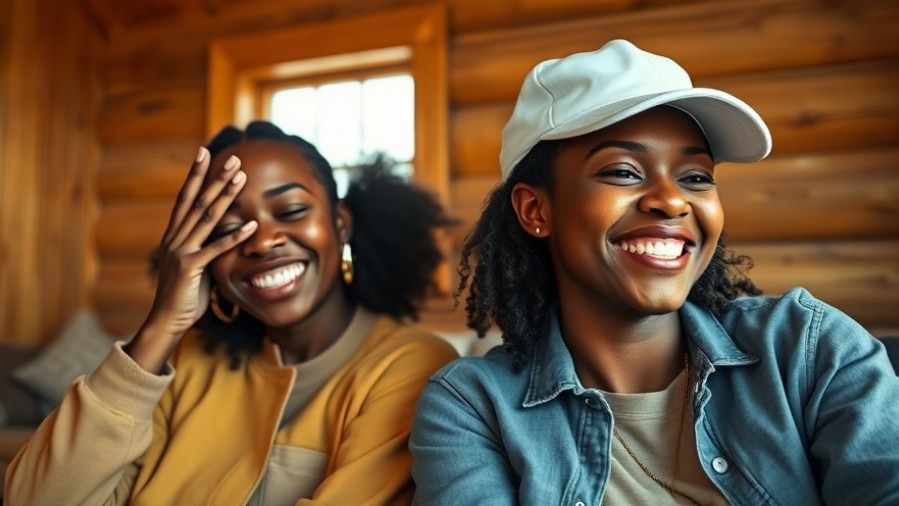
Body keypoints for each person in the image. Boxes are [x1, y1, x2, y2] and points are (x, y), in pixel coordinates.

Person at [409, 39, 899, 505]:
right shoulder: (472, 407)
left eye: (696, 177)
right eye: (623, 171)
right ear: (536, 209)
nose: (671, 200)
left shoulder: (809, 349)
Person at [5, 120, 459, 505]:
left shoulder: (415, 368)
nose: (261, 242)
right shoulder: (187, 361)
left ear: (341, 223)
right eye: (227, 228)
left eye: (292, 210)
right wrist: (162, 325)